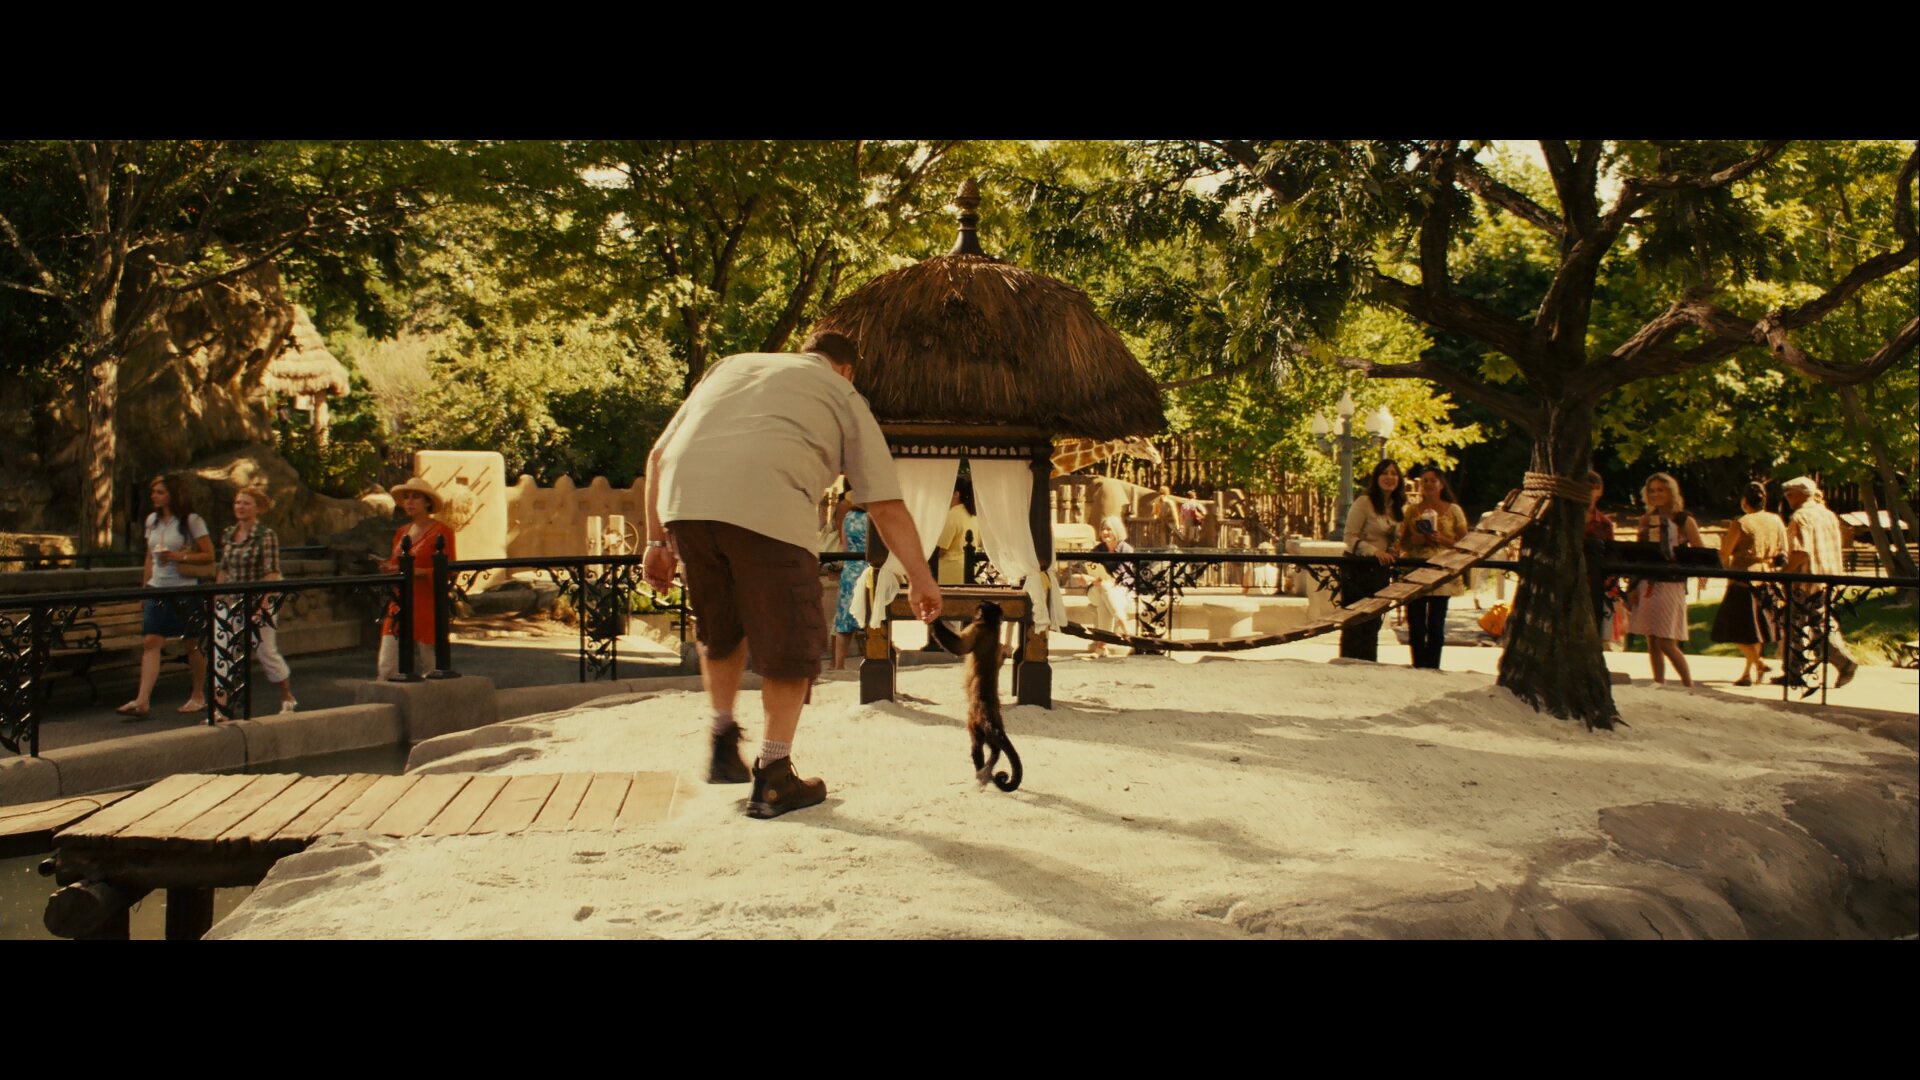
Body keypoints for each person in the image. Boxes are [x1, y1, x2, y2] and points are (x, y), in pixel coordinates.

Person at [643, 330, 941, 820]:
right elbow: (884, 505)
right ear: (847, 369)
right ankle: (775, 777)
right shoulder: (842, 392)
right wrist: (920, 579)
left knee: (720, 629)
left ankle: (722, 741)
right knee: (791, 645)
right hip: (770, 508)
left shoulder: (730, 365)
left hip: (685, 506)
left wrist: (656, 542)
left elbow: (658, 456)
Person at [116, 474, 212, 719]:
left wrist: (179, 557)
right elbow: (149, 557)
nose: (154, 496)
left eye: (160, 492)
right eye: (153, 492)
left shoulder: (191, 521)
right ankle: (142, 700)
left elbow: (209, 555)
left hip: (185, 589)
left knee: (192, 643)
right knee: (151, 640)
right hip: (158, 587)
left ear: (173, 494)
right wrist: (145, 588)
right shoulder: (152, 520)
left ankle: (198, 695)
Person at [212, 488, 297, 714]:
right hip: (232, 600)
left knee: (265, 651)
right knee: (223, 651)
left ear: (257, 508)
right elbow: (224, 569)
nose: (240, 507)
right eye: (238, 502)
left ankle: (286, 695)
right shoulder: (230, 534)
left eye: (246, 503)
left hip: (258, 599)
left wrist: (263, 607)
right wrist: (217, 598)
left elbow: (271, 572)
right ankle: (221, 707)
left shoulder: (265, 535)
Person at [1777, 475, 1859, 689]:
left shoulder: (1800, 517)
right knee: (1807, 624)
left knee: (1807, 626)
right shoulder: (1827, 515)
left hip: (1806, 580)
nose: (1787, 498)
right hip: (1829, 578)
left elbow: (1800, 552)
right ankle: (1793, 670)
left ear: (1800, 495)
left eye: (1789, 494)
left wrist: (1783, 573)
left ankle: (1844, 662)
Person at [1626, 472, 1702, 687]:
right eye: (1652, 490)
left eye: (1660, 490)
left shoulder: (1683, 519)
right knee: (1651, 638)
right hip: (1648, 581)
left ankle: (1688, 684)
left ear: (1671, 492)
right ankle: (1658, 682)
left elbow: (1699, 551)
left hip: (1671, 583)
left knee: (1666, 640)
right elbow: (1639, 555)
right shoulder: (1646, 519)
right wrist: (1632, 585)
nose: (1656, 494)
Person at [378, 477, 456, 680]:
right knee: (387, 664)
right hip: (399, 603)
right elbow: (396, 563)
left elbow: (448, 570)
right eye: (406, 497)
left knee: (431, 664)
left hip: (426, 603)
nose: (409, 502)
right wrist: (389, 568)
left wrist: (418, 571)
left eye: (415, 497)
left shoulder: (442, 532)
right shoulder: (401, 533)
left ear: (427, 502)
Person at [1711, 481, 1786, 686]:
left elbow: (1725, 552)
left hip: (1743, 579)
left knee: (1734, 627)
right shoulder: (1776, 520)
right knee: (1756, 630)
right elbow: (1783, 548)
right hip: (1767, 578)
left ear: (1744, 501)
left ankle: (1758, 663)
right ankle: (1747, 673)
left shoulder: (1742, 523)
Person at [1399, 466, 1469, 669]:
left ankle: (1433, 665)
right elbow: (1403, 542)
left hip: (1442, 571)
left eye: (1433, 480)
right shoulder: (1412, 511)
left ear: (1441, 484)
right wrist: (1416, 540)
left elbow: (1465, 543)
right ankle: (1418, 664)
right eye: (1425, 480)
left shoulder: (1453, 510)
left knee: (1436, 624)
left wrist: (1443, 539)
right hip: (1416, 569)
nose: (1429, 484)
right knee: (1416, 622)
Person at [1339, 460, 1404, 661]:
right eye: (1384, 473)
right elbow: (1350, 537)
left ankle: (1368, 663)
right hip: (1359, 570)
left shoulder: (1397, 507)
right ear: (1376, 478)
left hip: (1380, 571)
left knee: (1373, 622)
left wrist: (1395, 549)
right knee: (1355, 621)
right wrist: (1375, 552)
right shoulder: (1364, 503)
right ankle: (1349, 662)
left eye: (1394, 473)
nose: (1389, 477)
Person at [1085, 515, 1137, 657]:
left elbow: (1121, 576)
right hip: (1096, 590)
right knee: (1104, 588)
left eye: (1109, 529)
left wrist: (1104, 581)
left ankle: (1101, 646)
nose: (1105, 532)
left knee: (1105, 597)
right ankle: (1125, 627)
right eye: (1103, 529)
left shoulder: (1126, 549)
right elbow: (1089, 569)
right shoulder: (1097, 550)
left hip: (1121, 590)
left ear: (1117, 530)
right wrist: (1088, 578)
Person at [830, 489, 869, 671]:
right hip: (867, 570)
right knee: (871, 618)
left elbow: (845, 546)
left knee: (844, 620)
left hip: (850, 570)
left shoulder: (848, 517)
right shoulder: (871, 519)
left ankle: (839, 664)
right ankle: (872, 658)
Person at [935, 475, 978, 586]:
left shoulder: (952, 515)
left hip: (949, 573)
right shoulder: (973, 515)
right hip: (969, 572)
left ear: (956, 494)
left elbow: (941, 549)